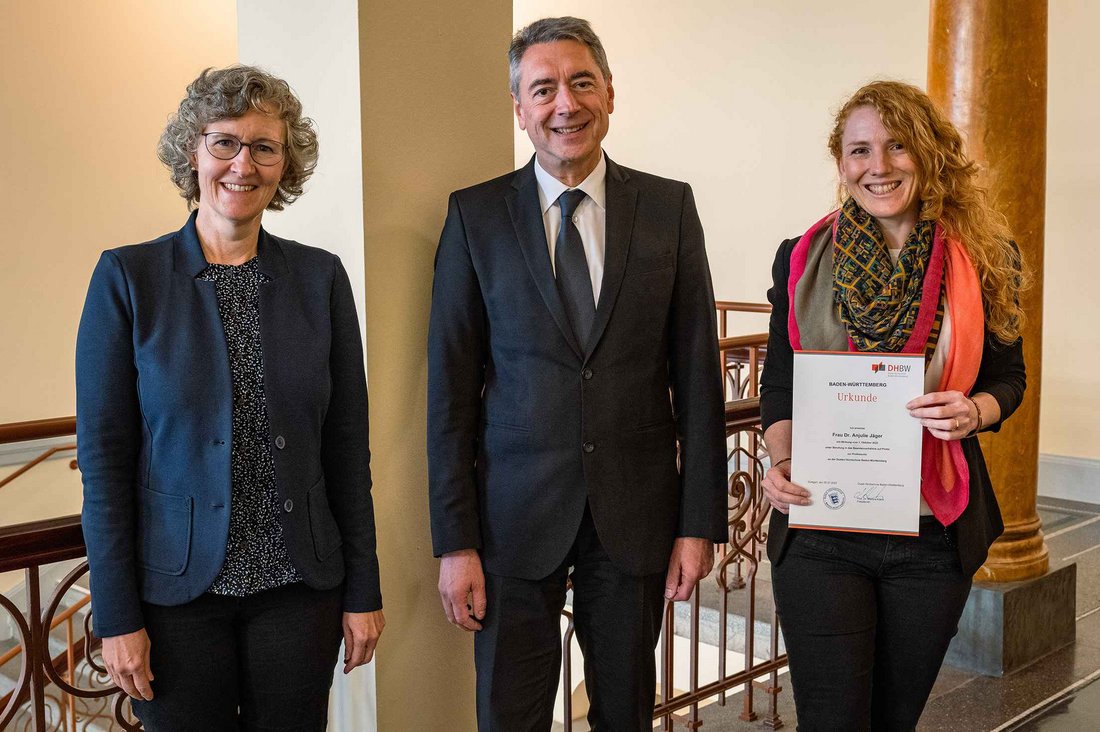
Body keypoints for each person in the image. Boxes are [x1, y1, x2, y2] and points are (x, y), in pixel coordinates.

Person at [427, 16, 728, 731]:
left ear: (610, 93)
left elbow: (696, 376)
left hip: (635, 515)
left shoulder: (668, 209)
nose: (566, 103)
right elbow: (449, 394)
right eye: (544, 89)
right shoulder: (476, 217)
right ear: (520, 109)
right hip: (510, 524)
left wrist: (698, 525)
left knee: (624, 712)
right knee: (510, 715)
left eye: (581, 81)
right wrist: (454, 541)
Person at [75, 65, 383, 731]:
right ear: (193, 151)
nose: (243, 164)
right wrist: (117, 615)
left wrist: (364, 590)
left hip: (298, 593)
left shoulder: (320, 279)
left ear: (284, 164)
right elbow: (104, 467)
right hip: (176, 601)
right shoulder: (128, 280)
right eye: (225, 143)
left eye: (264, 147)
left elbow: (345, 455)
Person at [760, 80, 1027, 730]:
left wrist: (975, 412)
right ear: (841, 162)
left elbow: (1009, 381)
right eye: (859, 151)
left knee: (892, 719)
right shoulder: (801, 260)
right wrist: (782, 459)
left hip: (930, 539)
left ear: (930, 153)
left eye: (897, 145)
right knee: (832, 719)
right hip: (824, 529)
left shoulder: (988, 260)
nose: (877, 166)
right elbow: (781, 387)